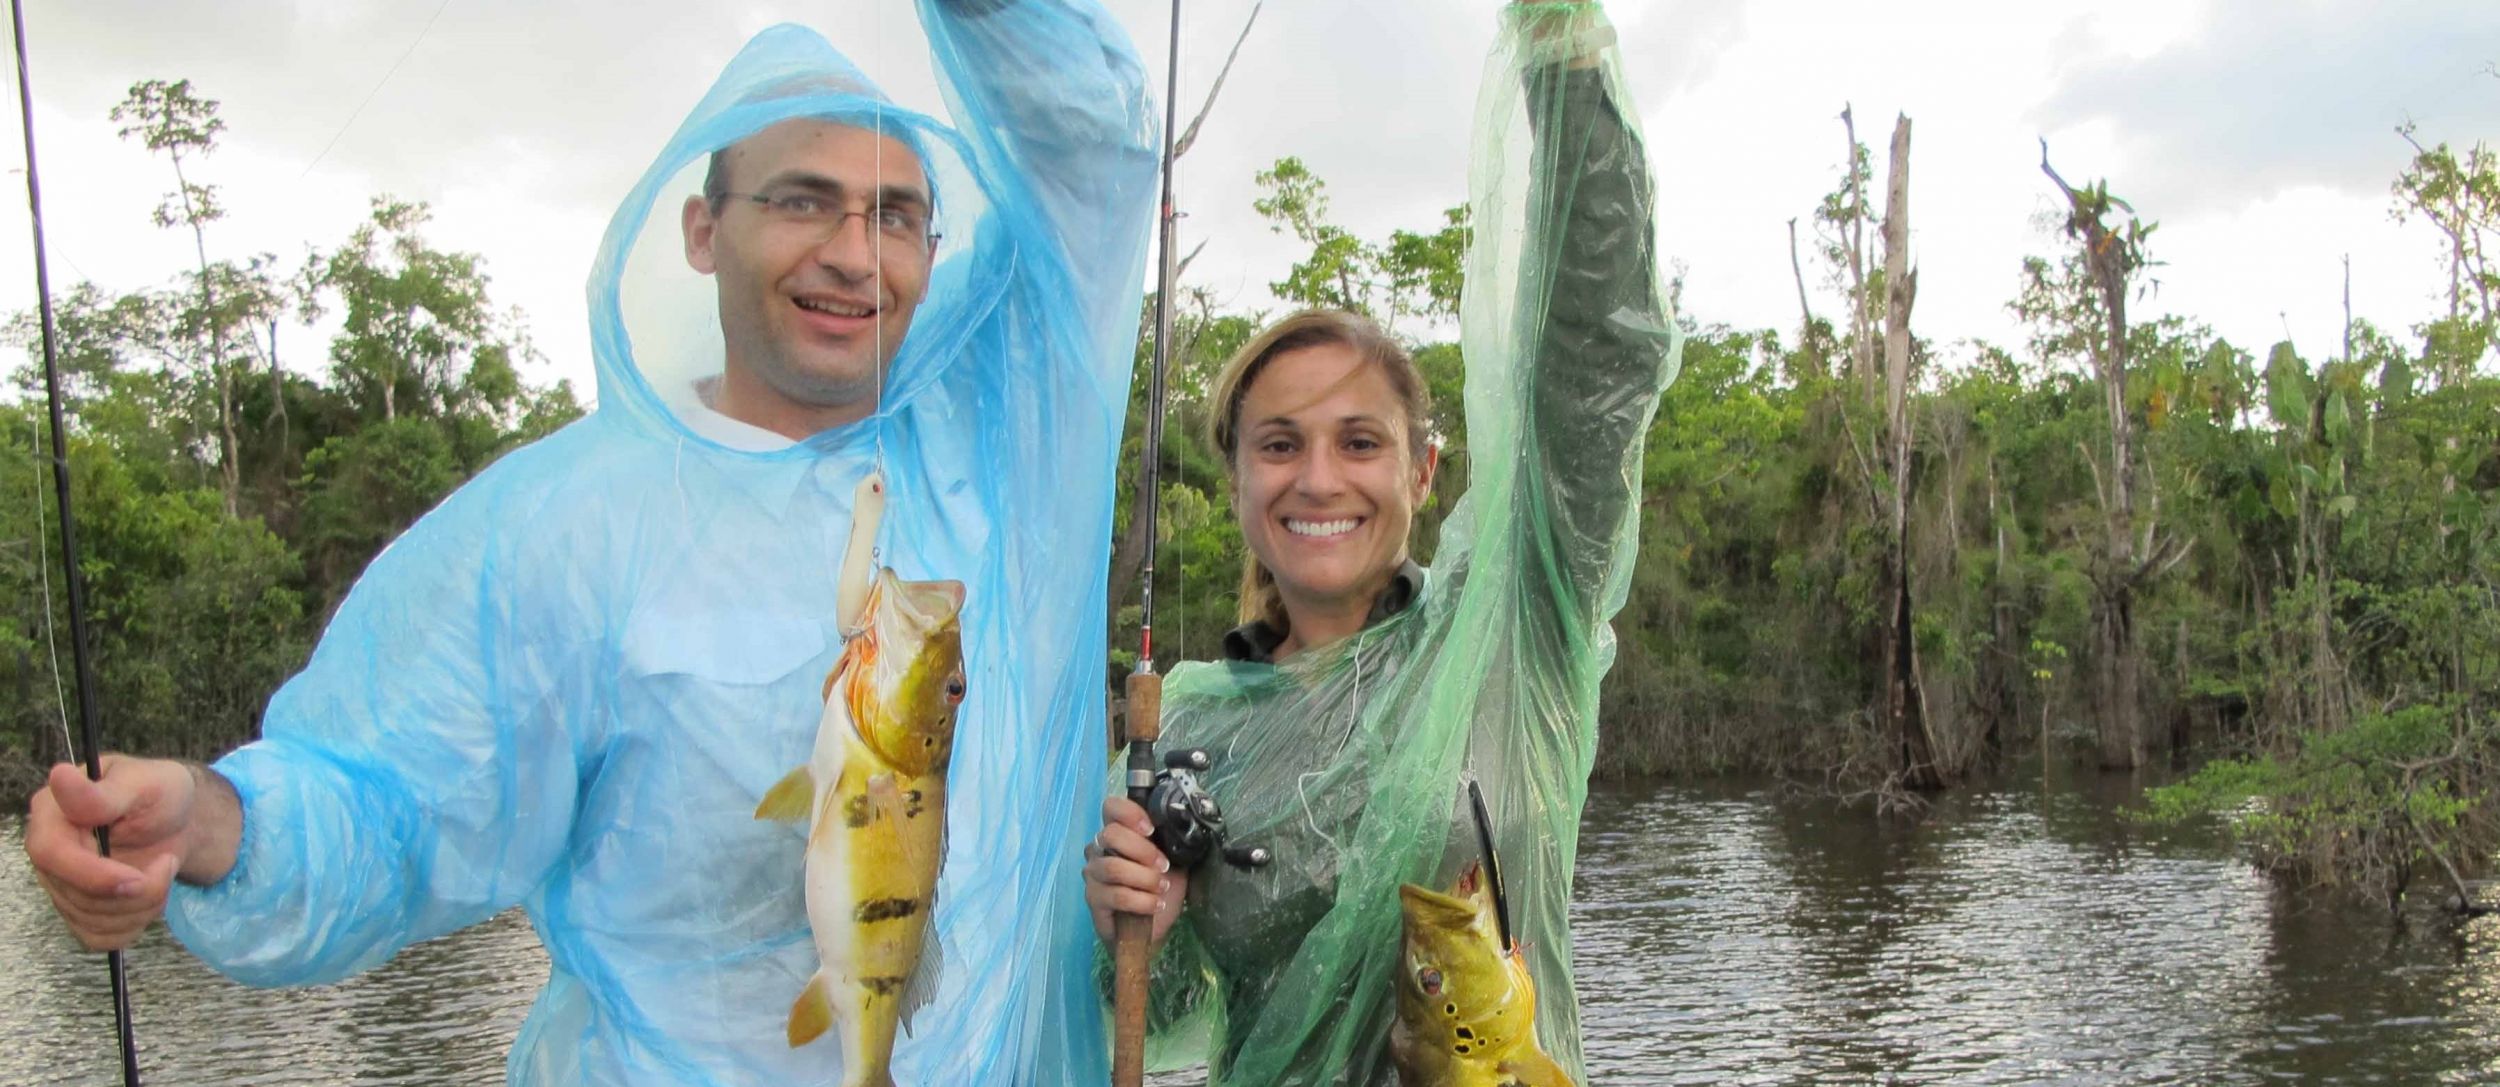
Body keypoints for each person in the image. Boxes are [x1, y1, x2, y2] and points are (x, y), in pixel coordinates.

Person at [23, 3, 1157, 1083]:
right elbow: (385, 806)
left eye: (896, 214)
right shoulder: (561, 527)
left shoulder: (1004, 428)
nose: (857, 256)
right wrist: (211, 822)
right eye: (805, 202)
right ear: (703, 230)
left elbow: (1091, 151)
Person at [1081, 2, 1679, 1084]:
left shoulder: (1511, 642)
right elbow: (1155, 1013)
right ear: (1238, 479)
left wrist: (1564, 55)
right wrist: (1138, 924)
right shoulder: (1194, 720)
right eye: (1278, 444)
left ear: (1419, 472)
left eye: (1360, 441)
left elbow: (1598, 365)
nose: (1318, 478)